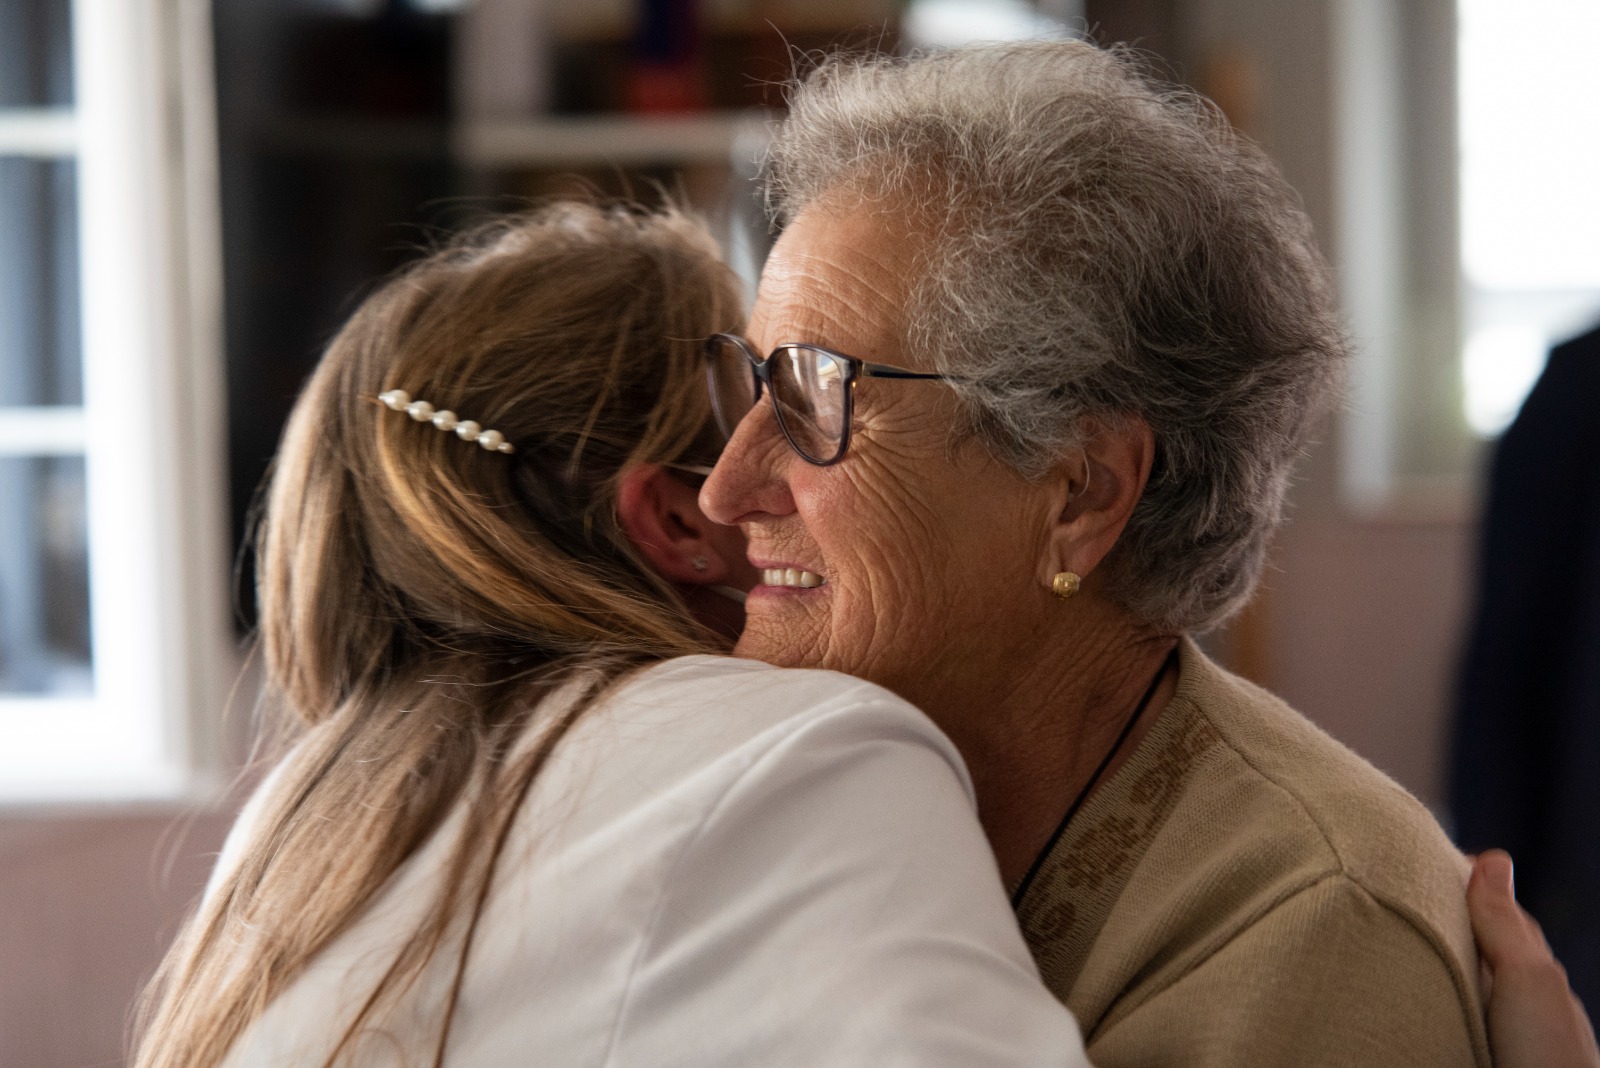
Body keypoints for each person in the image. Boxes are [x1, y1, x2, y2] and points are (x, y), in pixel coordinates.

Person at [132, 202, 1090, 1067]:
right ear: (678, 522)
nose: (770, 470)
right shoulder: (796, 752)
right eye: (762, 406)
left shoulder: (307, 819)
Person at [697, 39, 1482, 1066]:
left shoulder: (1318, 935)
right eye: (754, 386)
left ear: (1083, 490)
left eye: (817, 398)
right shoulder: (814, 799)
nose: (723, 488)